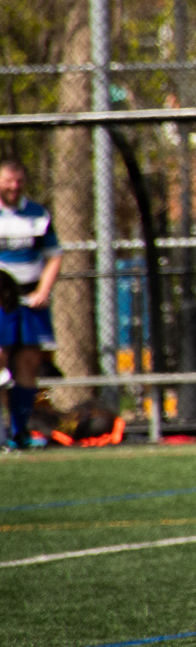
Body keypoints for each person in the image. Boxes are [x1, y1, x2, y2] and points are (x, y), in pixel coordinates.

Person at [0, 158, 62, 452]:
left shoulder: (37, 214)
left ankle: (18, 431)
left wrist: (43, 290)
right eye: (8, 181)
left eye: (19, 181)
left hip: (29, 301)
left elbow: (54, 255)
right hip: (2, 301)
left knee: (27, 362)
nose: (14, 187)